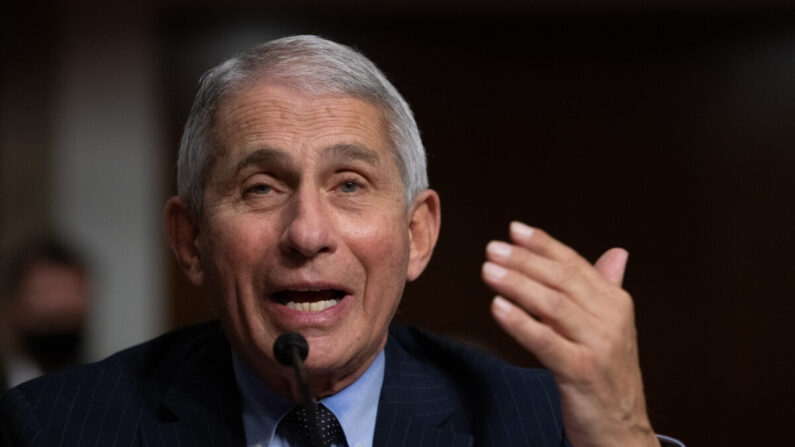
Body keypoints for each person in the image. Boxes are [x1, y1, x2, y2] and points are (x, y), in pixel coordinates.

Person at [0, 35, 683, 447]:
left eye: (349, 184)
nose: (307, 232)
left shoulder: (542, 427)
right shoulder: (55, 428)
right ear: (190, 238)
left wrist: (621, 431)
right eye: (262, 187)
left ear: (417, 234)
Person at [0, 237, 90, 393]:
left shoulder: (103, 390)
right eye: (45, 294)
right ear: (13, 304)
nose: (57, 308)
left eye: (68, 294)